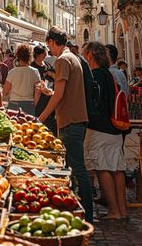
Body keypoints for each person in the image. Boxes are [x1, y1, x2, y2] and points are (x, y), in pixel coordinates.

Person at [39, 27, 93, 224]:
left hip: (70, 121)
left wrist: (42, 117)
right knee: (75, 169)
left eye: (48, 45)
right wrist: (49, 94)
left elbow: (60, 94)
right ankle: (78, 213)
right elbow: (63, 92)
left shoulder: (62, 60)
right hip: (76, 118)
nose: (49, 50)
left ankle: (87, 216)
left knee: (78, 170)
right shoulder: (74, 58)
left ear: (53, 42)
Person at [83, 42, 127, 220]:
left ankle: (114, 211)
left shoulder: (95, 75)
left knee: (102, 168)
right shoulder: (109, 74)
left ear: (91, 54)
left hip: (100, 128)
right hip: (114, 128)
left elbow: (94, 102)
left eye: (86, 53)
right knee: (116, 169)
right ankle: (122, 211)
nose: (85, 57)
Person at [3, 44, 41, 115]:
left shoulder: (12, 72)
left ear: (17, 56)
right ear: (30, 56)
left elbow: (5, 92)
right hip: (29, 104)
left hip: (13, 104)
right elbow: (38, 92)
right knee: (28, 125)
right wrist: (33, 105)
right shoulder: (35, 71)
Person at [32, 45, 57, 135]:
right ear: (38, 55)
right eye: (44, 53)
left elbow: (56, 76)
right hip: (38, 99)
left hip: (49, 97)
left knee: (49, 120)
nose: (46, 54)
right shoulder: (32, 67)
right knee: (38, 119)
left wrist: (50, 74)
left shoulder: (47, 65)